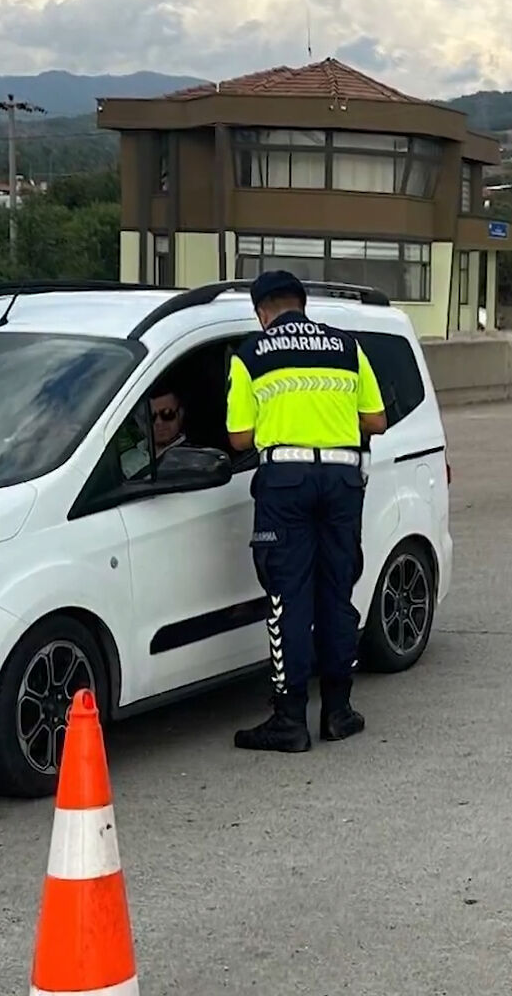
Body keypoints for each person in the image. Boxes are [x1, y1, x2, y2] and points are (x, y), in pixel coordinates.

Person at [225, 270, 387, 752]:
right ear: (303, 305)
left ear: (261, 312)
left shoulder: (250, 355)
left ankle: (289, 719)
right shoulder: (346, 347)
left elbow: (237, 438)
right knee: (337, 594)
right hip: (341, 480)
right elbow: (376, 420)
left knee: (288, 598)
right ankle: (339, 712)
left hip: (286, 483)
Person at [119, 381, 191, 480]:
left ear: (181, 414)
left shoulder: (193, 457)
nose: (159, 422)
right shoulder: (123, 460)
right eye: (150, 417)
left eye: (167, 414)